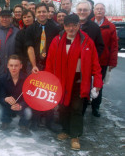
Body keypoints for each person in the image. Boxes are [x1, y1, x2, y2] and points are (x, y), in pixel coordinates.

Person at [45, 14, 103, 150]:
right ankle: (65, 130)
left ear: (79, 25)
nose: (71, 28)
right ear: (64, 26)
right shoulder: (57, 40)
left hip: (79, 81)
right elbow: (50, 63)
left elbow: (95, 64)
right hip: (61, 81)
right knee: (63, 107)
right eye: (68, 25)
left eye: (74, 25)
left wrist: (97, 84)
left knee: (76, 108)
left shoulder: (87, 41)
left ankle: (75, 135)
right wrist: (49, 81)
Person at [26, 3, 60, 130]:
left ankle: (49, 121)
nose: (41, 14)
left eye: (44, 11)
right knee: (36, 93)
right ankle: (35, 120)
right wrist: (34, 65)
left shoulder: (56, 28)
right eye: (39, 12)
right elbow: (29, 48)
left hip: (51, 66)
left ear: (48, 13)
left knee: (49, 92)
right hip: (36, 65)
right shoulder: (30, 29)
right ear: (35, 13)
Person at [89, 3, 118, 117]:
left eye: (101, 9)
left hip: (102, 60)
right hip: (88, 60)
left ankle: (95, 107)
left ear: (104, 11)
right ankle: (85, 103)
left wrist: (113, 62)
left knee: (98, 85)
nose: (99, 11)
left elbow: (114, 46)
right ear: (94, 11)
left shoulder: (110, 26)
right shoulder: (88, 23)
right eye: (97, 9)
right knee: (85, 83)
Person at [0, 55, 32, 135]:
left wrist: (21, 105)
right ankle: (6, 122)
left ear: (21, 66)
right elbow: (1, 97)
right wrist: (6, 99)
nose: (13, 68)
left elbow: (29, 98)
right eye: (11, 65)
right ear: (7, 66)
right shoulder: (3, 78)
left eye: (16, 65)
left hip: (20, 105)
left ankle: (23, 125)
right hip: (7, 105)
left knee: (28, 112)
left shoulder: (27, 79)